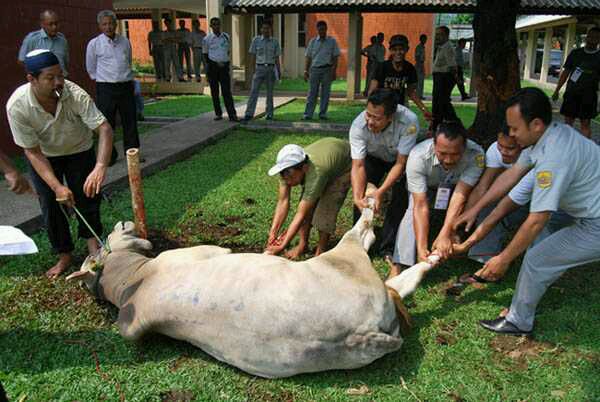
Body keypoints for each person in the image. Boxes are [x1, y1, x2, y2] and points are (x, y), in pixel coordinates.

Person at [453, 87, 600, 336]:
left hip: (594, 222)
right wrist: (475, 210)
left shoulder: (554, 158)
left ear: (536, 124)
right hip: (580, 208)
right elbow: (511, 178)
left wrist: (503, 258)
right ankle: (524, 300)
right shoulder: (549, 136)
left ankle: (518, 321)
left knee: (536, 258)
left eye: (514, 128)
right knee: (540, 247)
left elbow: (536, 221)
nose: (511, 134)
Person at [7, 49, 113, 279]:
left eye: (60, 75)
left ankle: (93, 246)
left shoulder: (75, 94)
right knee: (50, 202)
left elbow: (104, 128)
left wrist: (100, 166)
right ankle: (64, 254)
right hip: (44, 156)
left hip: (79, 150)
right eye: (50, 78)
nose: (58, 82)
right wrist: (57, 187)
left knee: (88, 195)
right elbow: (32, 151)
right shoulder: (18, 106)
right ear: (31, 79)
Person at [390, 121, 484, 276]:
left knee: (473, 200)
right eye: (442, 153)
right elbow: (420, 205)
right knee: (412, 208)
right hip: (425, 188)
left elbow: (460, 196)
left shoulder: (476, 155)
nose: (448, 160)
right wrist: (421, 246)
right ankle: (399, 264)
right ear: (434, 145)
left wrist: (445, 233)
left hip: (455, 189)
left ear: (465, 148)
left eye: (455, 154)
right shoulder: (417, 156)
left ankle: (459, 241)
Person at [454, 169, 573, 282]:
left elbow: (535, 222)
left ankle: (534, 275)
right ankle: (490, 265)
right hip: (536, 202)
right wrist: (465, 245)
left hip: (569, 209)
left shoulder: (549, 173)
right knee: (496, 210)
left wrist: (504, 259)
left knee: (541, 229)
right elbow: (497, 213)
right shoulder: (529, 179)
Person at [350, 89, 419, 259]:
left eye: (377, 118)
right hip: (373, 158)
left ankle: (387, 247)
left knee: (400, 195)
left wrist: (380, 192)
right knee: (361, 196)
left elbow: (401, 163)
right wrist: (357, 196)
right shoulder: (359, 125)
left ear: (391, 117)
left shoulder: (409, 122)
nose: (370, 122)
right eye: (368, 115)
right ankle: (359, 245)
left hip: (398, 160)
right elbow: (358, 165)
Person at [265, 138, 352, 259]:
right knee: (307, 207)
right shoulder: (286, 170)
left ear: (304, 168)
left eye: (290, 175)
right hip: (327, 154)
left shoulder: (317, 172)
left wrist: (282, 245)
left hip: (344, 165)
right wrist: (273, 232)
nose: (286, 179)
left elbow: (301, 214)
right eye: (284, 174)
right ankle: (303, 245)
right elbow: (283, 201)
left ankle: (320, 252)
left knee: (326, 208)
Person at [86, 9, 140, 165]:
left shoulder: (124, 41)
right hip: (105, 88)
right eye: (104, 24)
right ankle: (109, 156)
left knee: (130, 120)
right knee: (106, 123)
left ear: (116, 24)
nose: (108, 27)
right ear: (99, 26)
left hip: (125, 86)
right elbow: (91, 67)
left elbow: (128, 61)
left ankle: (132, 154)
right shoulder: (94, 44)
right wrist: (103, 80)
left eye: (110, 23)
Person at [367, 35, 432, 120]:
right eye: (394, 50)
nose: (398, 52)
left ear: (406, 49)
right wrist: (371, 111)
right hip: (381, 109)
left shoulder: (410, 68)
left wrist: (424, 109)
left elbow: (411, 92)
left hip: (399, 108)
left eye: (401, 49)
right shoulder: (382, 67)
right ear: (390, 50)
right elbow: (372, 91)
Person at [552, 27, 600, 139]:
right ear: (586, 37)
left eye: (596, 37)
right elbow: (565, 73)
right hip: (571, 93)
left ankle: (585, 150)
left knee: (585, 124)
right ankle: (566, 147)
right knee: (568, 123)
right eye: (591, 36)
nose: (592, 39)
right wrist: (557, 90)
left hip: (589, 96)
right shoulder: (575, 53)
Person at [242, 21, 281, 123]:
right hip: (259, 68)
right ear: (261, 29)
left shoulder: (275, 42)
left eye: (267, 28)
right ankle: (249, 114)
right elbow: (253, 56)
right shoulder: (256, 40)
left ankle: (269, 115)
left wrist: (279, 71)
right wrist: (252, 70)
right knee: (253, 92)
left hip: (270, 69)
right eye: (264, 28)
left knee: (270, 93)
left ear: (270, 29)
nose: (266, 30)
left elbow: (277, 58)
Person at [302, 20, 340, 121]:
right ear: (317, 30)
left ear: (326, 29)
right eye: (320, 30)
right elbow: (308, 57)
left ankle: (322, 114)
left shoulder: (332, 41)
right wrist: (306, 71)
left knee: (325, 93)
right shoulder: (313, 41)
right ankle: (308, 114)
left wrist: (334, 70)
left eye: (323, 29)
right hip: (314, 70)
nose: (322, 31)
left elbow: (335, 57)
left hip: (327, 69)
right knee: (312, 93)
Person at [203, 17, 238, 122]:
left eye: (218, 24)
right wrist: (213, 64)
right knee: (215, 92)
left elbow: (227, 51)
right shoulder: (207, 39)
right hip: (213, 68)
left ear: (220, 25)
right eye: (214, 24)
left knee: (227, 91)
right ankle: (218, 114)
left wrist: (224, 61)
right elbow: (205, 55)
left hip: (224, 68)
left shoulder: (226, 37)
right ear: (211, 26)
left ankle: (232, 115)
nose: (216, 26)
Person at [18, 10, 69, 77]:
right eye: (50, 24)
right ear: (42, 24)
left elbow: (65, 63)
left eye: (56, 23)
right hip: (42, 83)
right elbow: (22, 61)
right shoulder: (32, 39)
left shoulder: (62, 40)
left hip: (61, 81)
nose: (54, 27)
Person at [431, 26, 458, 131]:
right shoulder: (441, 47)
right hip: (439, 77)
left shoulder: (447, 47)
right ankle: (438, 123)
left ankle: (451, 122)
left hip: (444, 77)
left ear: (446, 36)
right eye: (436, 34)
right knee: (439, 102)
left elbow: (452, 66)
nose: (437, 37)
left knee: (441, 101)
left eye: (439, 35)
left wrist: (454, 78)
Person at [162, 17, 184, 82]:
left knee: (177, 63)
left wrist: (170, 39)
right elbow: (163, 41)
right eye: (166, 23)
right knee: (167, 64)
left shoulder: (175, 32)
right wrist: (171, 39)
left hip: (174, 48)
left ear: (170, 23)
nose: (167, 24)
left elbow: (178, 39)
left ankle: (180, 77)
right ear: (165, 24)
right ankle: (167, 77)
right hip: (167, 49)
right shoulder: (164, 32)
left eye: (169, 23)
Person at [415, 34, 427, 100]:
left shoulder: (423, 47)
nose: (425, 40)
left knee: (421, 81)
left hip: (422, 64)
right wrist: (420, 66)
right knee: (419, 81)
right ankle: (418, 95)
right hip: (419, 65)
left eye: (425, 39)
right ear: (420, 39)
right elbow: (417, 57)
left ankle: (420, 95)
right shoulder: (419, 47)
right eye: (423, 39)